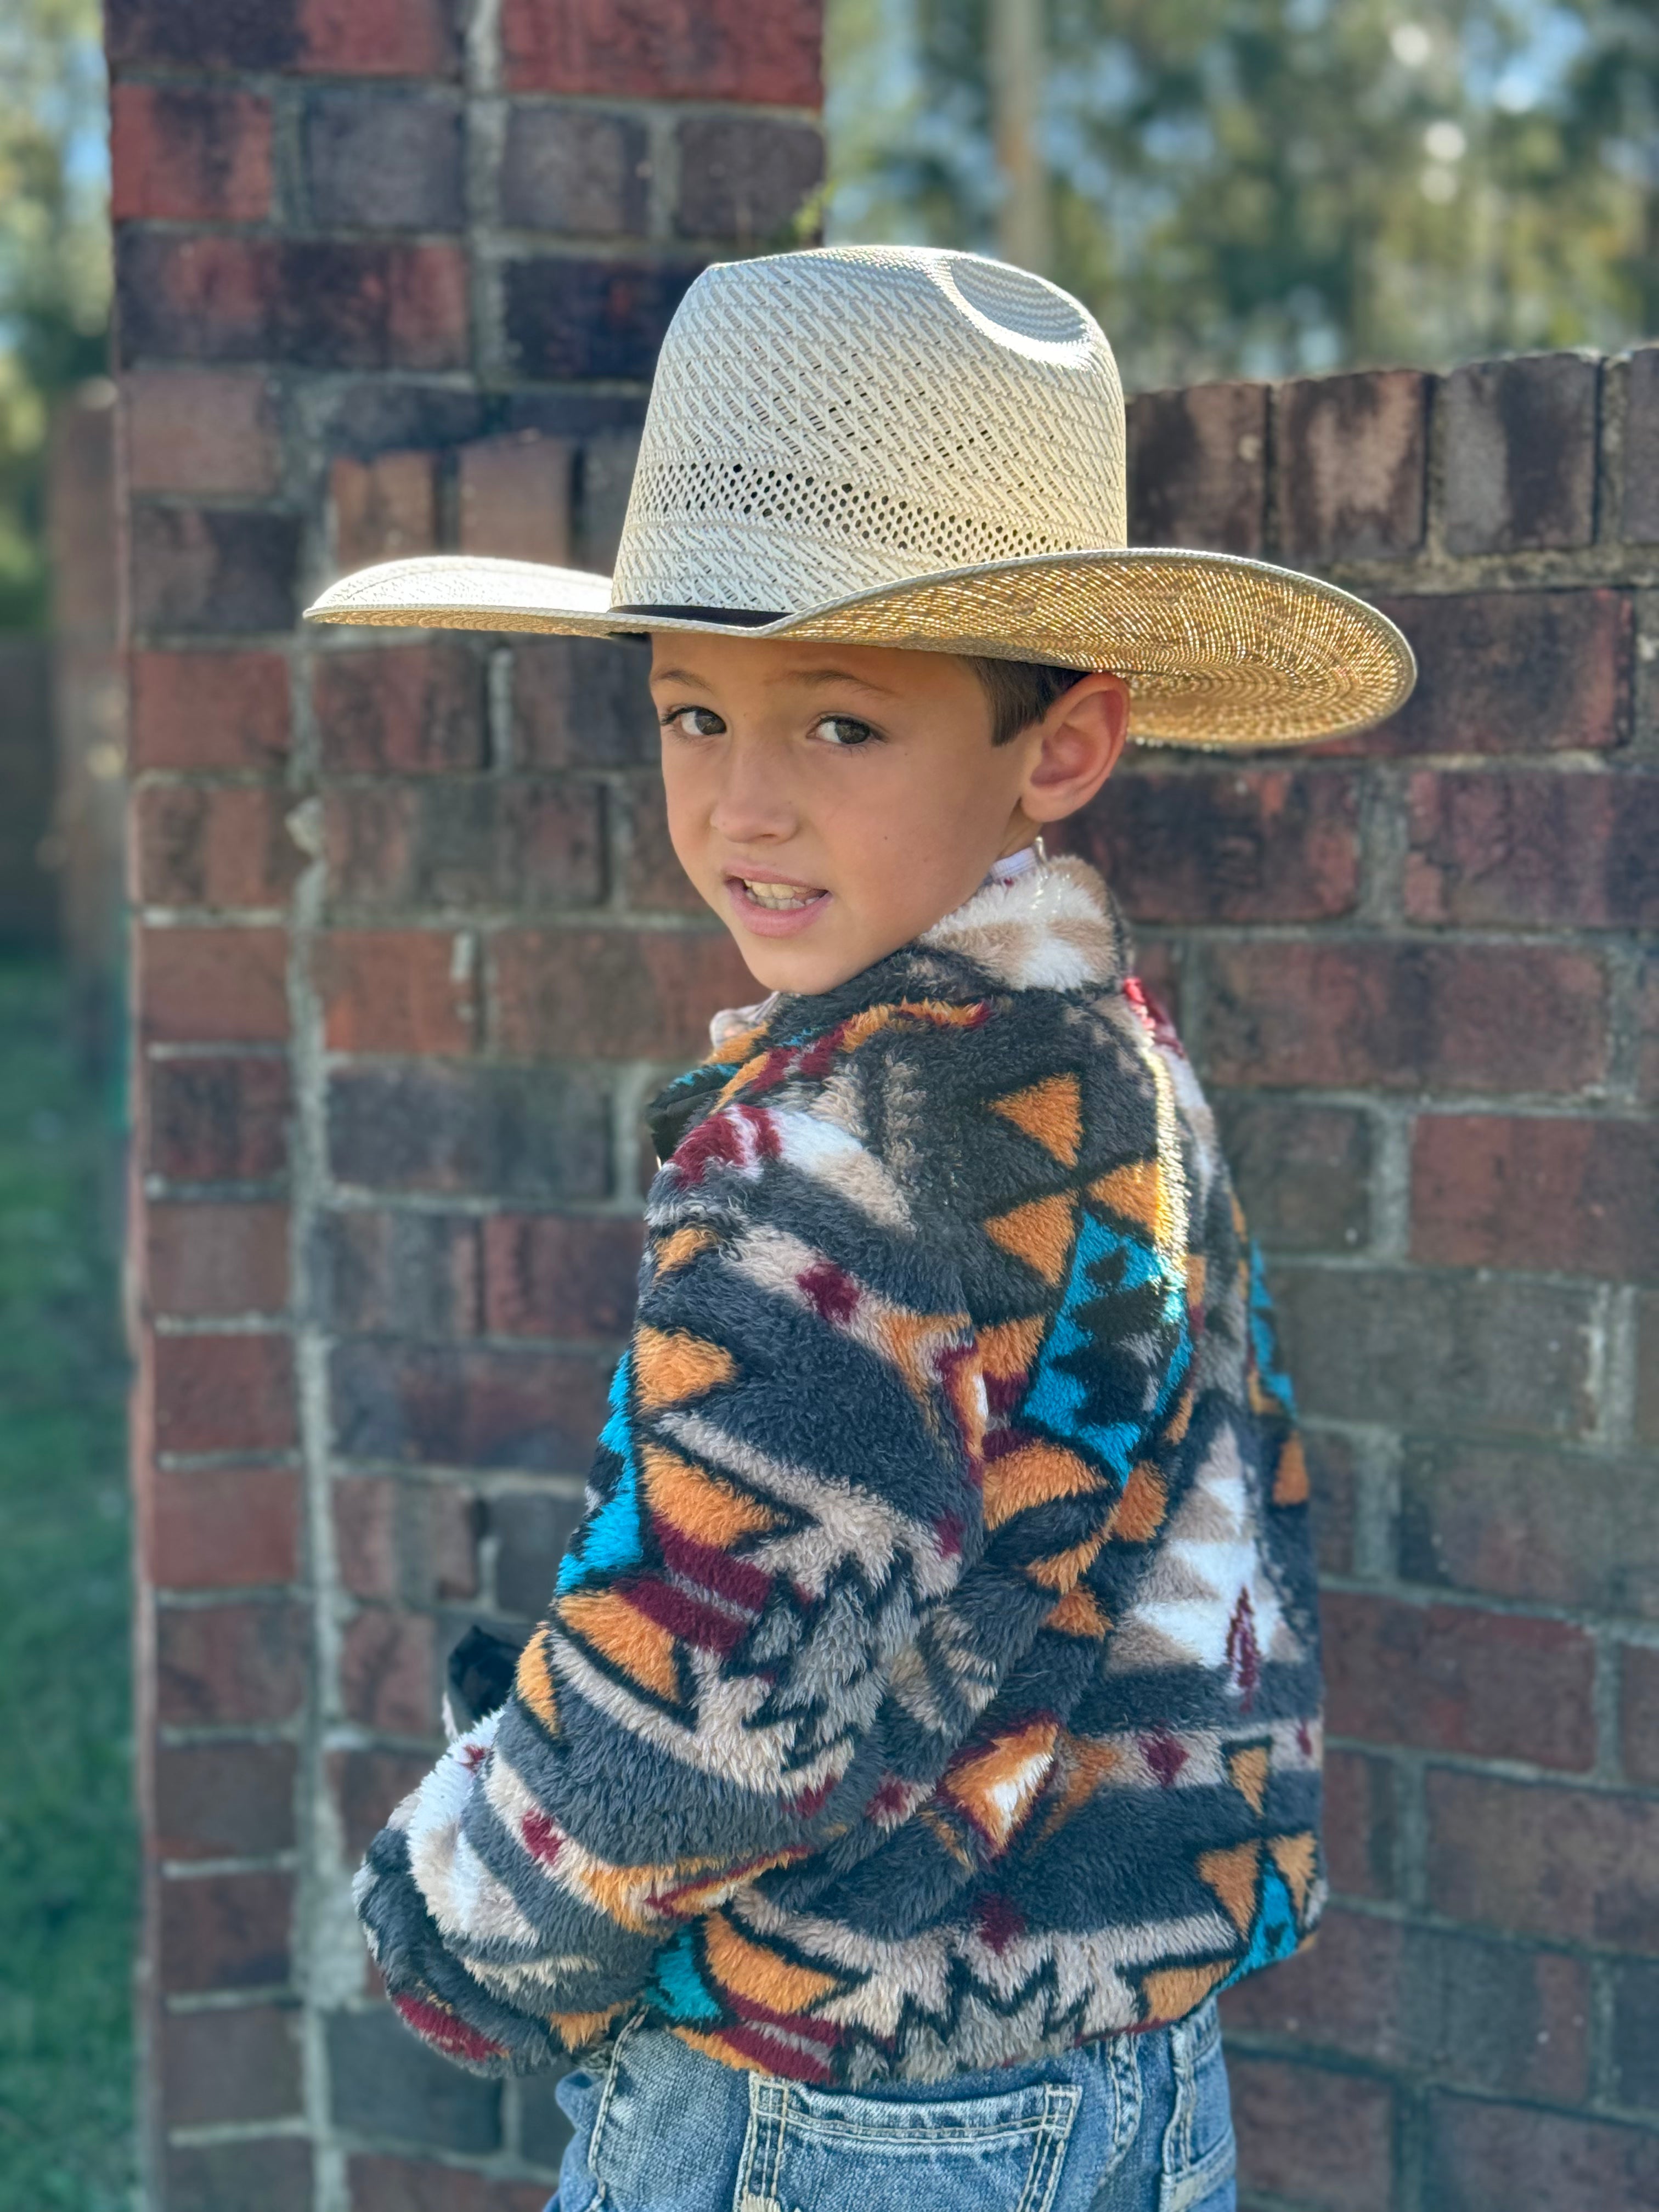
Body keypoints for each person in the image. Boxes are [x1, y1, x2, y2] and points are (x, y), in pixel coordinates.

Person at [306, 244, 1414, 2212]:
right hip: (1132, 2082)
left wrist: (457, 1916)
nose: (743, 806)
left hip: (838, 2114)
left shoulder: (840, 1145)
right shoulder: (1115, 1077)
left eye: (836, 726)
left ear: (1058, 748)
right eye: (691, 716)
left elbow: (704, 1682)